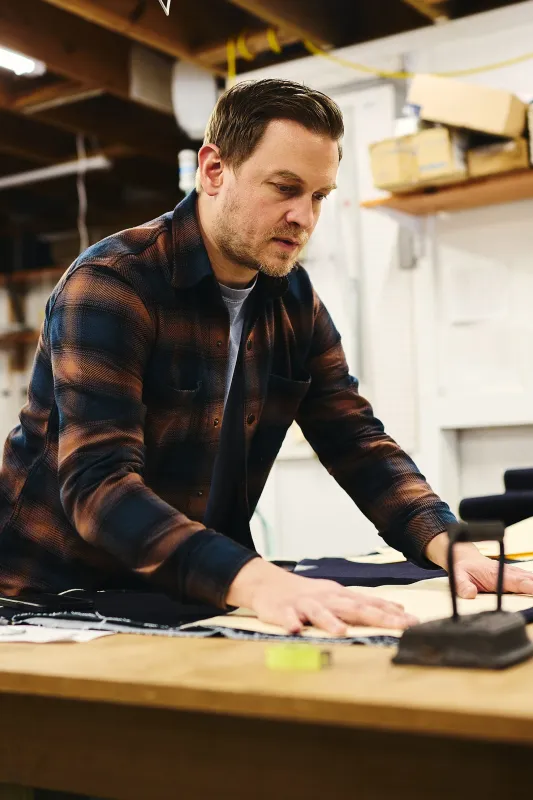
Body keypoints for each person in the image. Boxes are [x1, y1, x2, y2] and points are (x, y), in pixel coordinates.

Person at [0, 79, 532, 637]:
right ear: (213, 170)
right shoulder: (112, 285)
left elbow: (355, 440)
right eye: (284, 188)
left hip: (188, 591)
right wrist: (259, 581)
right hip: (48, 600)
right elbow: (99, 486)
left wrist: (447, 542)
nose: (303, 216)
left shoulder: (294, 303)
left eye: (320, 196)